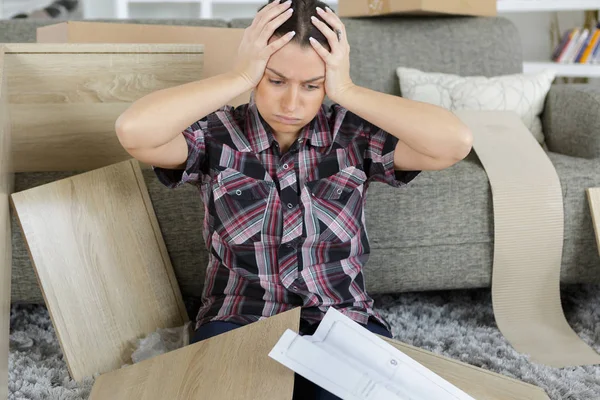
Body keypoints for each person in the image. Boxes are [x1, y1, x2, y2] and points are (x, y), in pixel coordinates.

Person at [115, 0, 473, 398]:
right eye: (276, 80)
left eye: (311, 86)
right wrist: (238, 74)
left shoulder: (354, 135)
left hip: (342, 321)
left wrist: (347, 90)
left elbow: (453, 143)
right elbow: (135, 131)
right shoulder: (215, 134)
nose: (291, 104)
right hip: (239, 319)